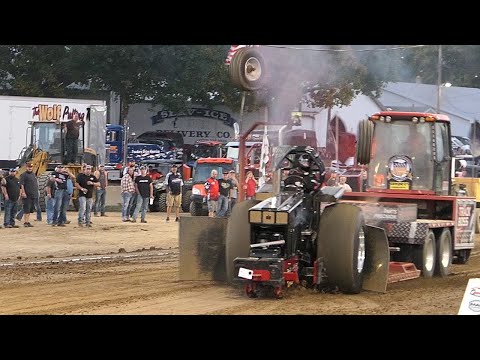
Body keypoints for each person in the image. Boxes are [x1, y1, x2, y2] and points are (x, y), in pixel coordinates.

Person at [19, 162, 38, 227]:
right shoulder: (23, 175)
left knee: (30, 209)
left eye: (31, 167)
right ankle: (26, 222)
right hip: (27, 195)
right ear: (26, 167)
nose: (30, 168)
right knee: (26, 209)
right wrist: (23, 192)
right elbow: (22, 184)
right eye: (29, 167)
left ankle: (27, 221)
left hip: (33, 194)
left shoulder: (33, 174)